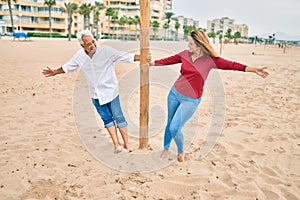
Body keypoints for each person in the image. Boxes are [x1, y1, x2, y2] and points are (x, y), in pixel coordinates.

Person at [148, 30, 269, 162]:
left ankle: (181, 151)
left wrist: (254, 69)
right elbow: (168, 60)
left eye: (191, 44)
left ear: (200, 45)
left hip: (191, 100)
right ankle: (165, 148)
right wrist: (152, 63)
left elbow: (232, 65)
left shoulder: (210, 60)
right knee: (170, 122)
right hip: (174, 93)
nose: (188, 46)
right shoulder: (185, 55)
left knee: (175, 127)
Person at [42, 30, 141, 154]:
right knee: (107, 119)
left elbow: (126, 56)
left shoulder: (106, 51)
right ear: (82, 45)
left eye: (93, 41)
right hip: (95, 95)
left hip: (111, 91)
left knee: (118, 117)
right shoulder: (79, 56)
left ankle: (127, 144)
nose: (92, 45)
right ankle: (117, 145)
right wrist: (55, 72)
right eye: (88, 44)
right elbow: (67, 67)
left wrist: (142, 57)